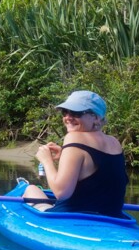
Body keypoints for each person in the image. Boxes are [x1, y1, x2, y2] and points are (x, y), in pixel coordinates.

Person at [22, 90, 128, 218]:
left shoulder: (74, 137)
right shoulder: (114, 142)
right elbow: (99, 175)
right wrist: (65, 155)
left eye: (76, 113)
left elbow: (61, 193)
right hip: (113, 216)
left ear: (96, 117)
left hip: (72, 217)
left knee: (30, 189)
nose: (68, 117)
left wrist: (46, 161)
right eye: (65, 112)